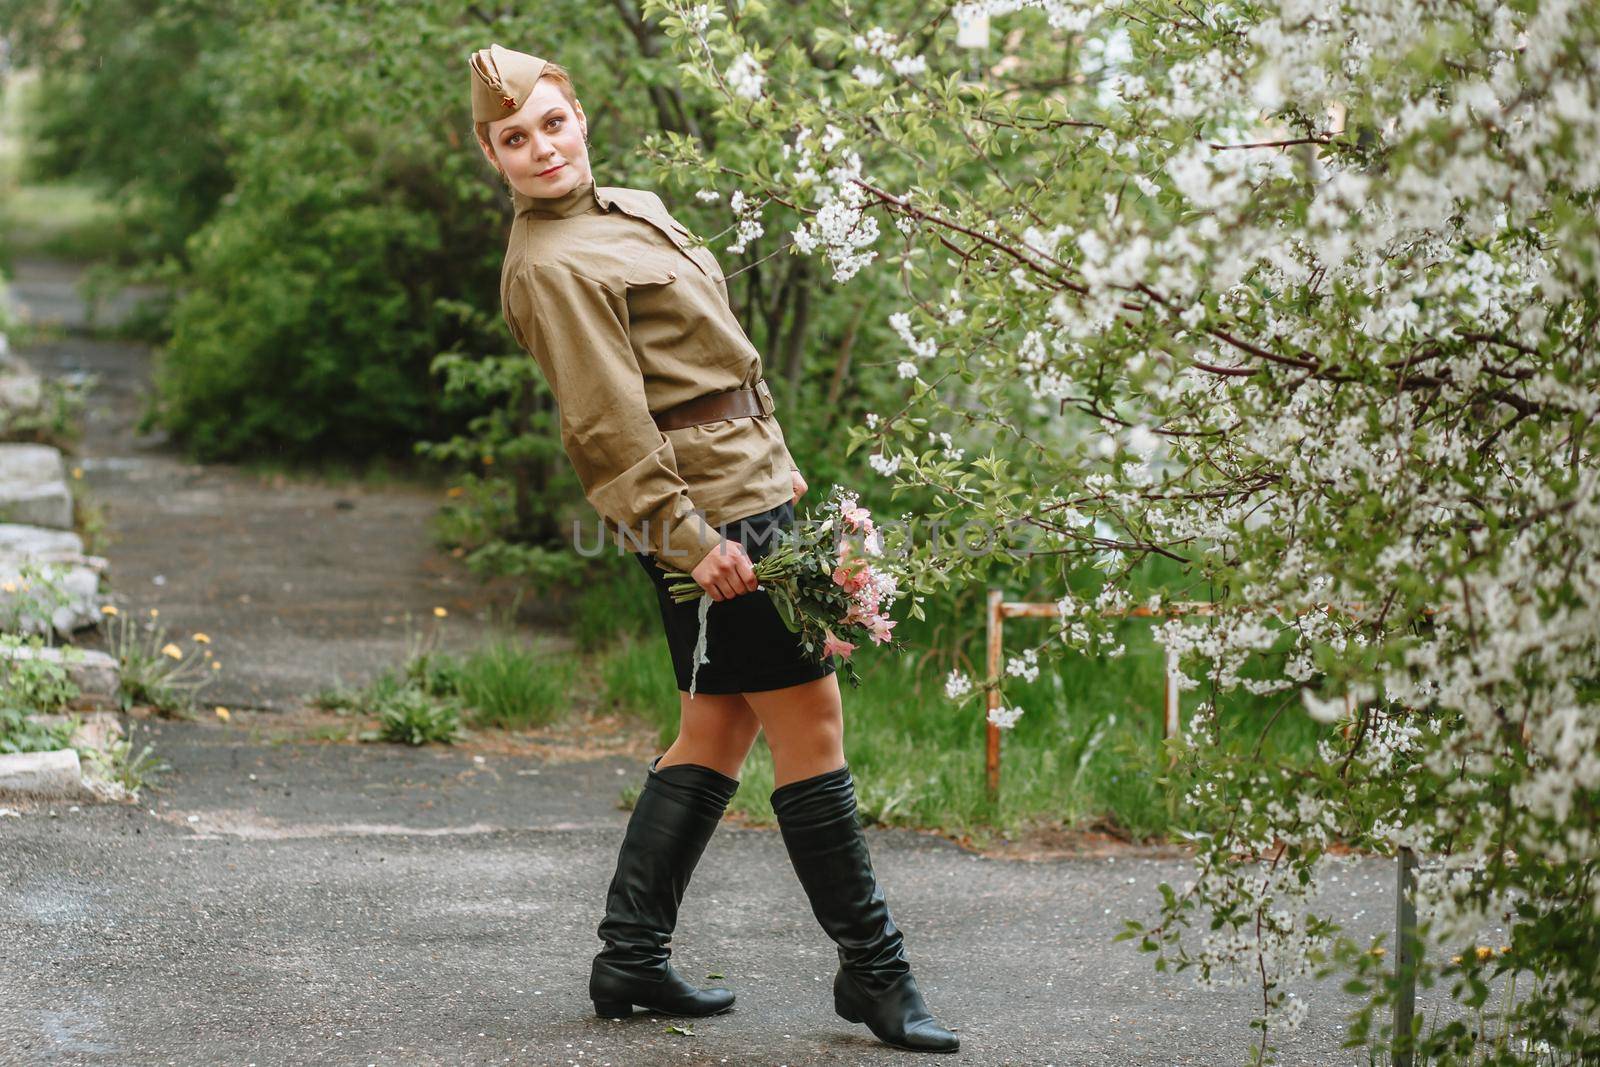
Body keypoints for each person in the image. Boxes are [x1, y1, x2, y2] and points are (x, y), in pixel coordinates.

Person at [468, 44, 958, 1054]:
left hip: (749, 489)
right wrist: (688, 539)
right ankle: (875, 970)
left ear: (580, 119)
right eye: (515, 138)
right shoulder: (549, 265)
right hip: (707, 516)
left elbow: (708, 358)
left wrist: (775, 464)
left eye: (551, 123)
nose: (540, 147)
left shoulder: (630, 209)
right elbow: (605, 424)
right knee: (810, 723)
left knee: (718, 729)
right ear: (493, 154)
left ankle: (632, 956)